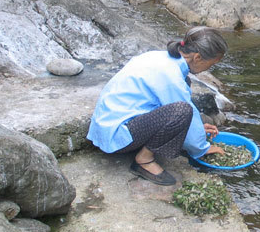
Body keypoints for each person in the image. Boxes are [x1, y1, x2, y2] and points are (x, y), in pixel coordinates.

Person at [87, 26, 228, 185]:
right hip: (117, 135)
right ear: (197, 57)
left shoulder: (159, 57)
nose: (209, 68)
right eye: (211, 64)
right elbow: (182, 109)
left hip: (106, 125)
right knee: (181, 111)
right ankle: (144, 160)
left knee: (183, 104)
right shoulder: (171, 76)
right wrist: (203, 148)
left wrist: (195, 129)